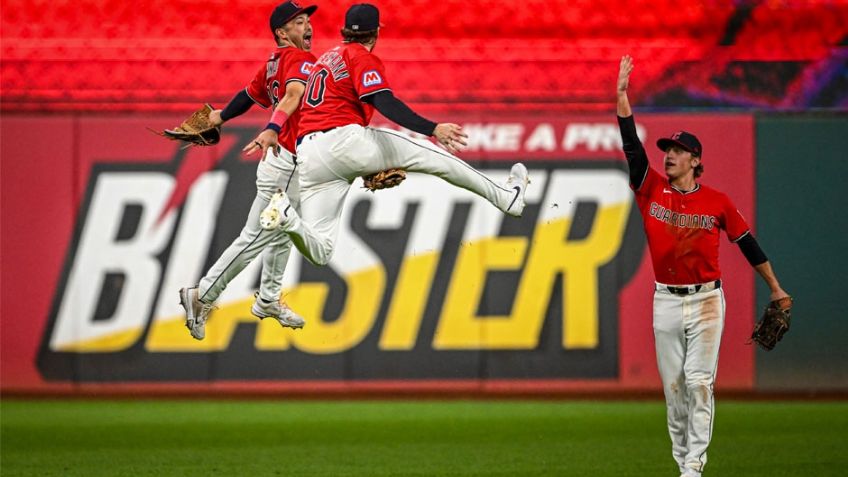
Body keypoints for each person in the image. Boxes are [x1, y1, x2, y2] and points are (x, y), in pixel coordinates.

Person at [616, 55, 790, 477]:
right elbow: (632, 146)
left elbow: (748, 244)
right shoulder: (650, 187)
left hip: (707, 300)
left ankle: (692, 468)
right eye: (668, 150)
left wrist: (775, 287)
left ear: (695, 160)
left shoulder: (717, 202)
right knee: (674, 390)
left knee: (698, 383)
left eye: (678, 151)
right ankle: (683, 461)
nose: (669, 156)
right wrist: (622, 96)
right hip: (665, 301)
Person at [258, 3, 529, 266]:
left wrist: (361, 163)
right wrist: (433, 129)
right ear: (377, 31)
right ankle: (507, 199)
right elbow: (384, 102)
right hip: (343, 140)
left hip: (309, 154)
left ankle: (288, 218)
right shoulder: (359, 56)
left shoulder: (326, 58)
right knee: (432, 156)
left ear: (345, 30)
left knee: (321, 251)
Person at [179, 0, 318, 340]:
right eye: (299, 22)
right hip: (286, 160)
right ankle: (202, 295)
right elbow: (293, 96)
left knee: (285, 231)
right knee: (256, 236)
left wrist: (218, 117)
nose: (308, 26)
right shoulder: (299, 60)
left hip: (285, 161)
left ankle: (268, 298)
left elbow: (248, 94)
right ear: (281, 33)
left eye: (307, 21)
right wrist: (272, 127)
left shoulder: (274, 62)